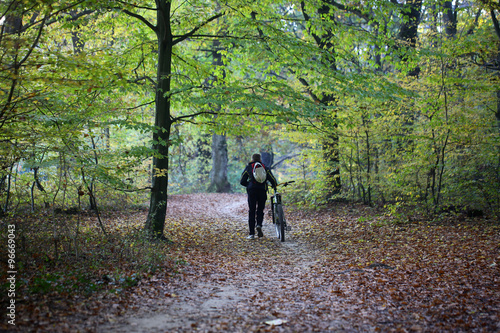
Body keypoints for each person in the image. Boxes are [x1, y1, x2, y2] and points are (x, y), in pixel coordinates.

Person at [240, 153, 278, 239]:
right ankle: (259, 225)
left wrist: (249, 185)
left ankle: (251, 234)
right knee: (260, 209)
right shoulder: (265, 167)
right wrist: (274, 186)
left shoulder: (249, 167)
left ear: (252, 159)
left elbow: (242, 181)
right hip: (262, 190)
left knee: (252, 210)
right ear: (260, 159)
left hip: (252, 191)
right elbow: (272, 179)